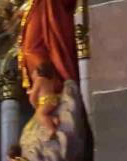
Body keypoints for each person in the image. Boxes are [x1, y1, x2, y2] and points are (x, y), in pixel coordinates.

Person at [17, 0, 80, 136]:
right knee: (30, 49)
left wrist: (36, 104)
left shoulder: (41, 79)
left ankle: (50, 125)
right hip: (50, 97)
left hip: (47, 98)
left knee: (31, 49)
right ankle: (51, 123)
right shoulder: (44, 79)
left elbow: (33, 97)